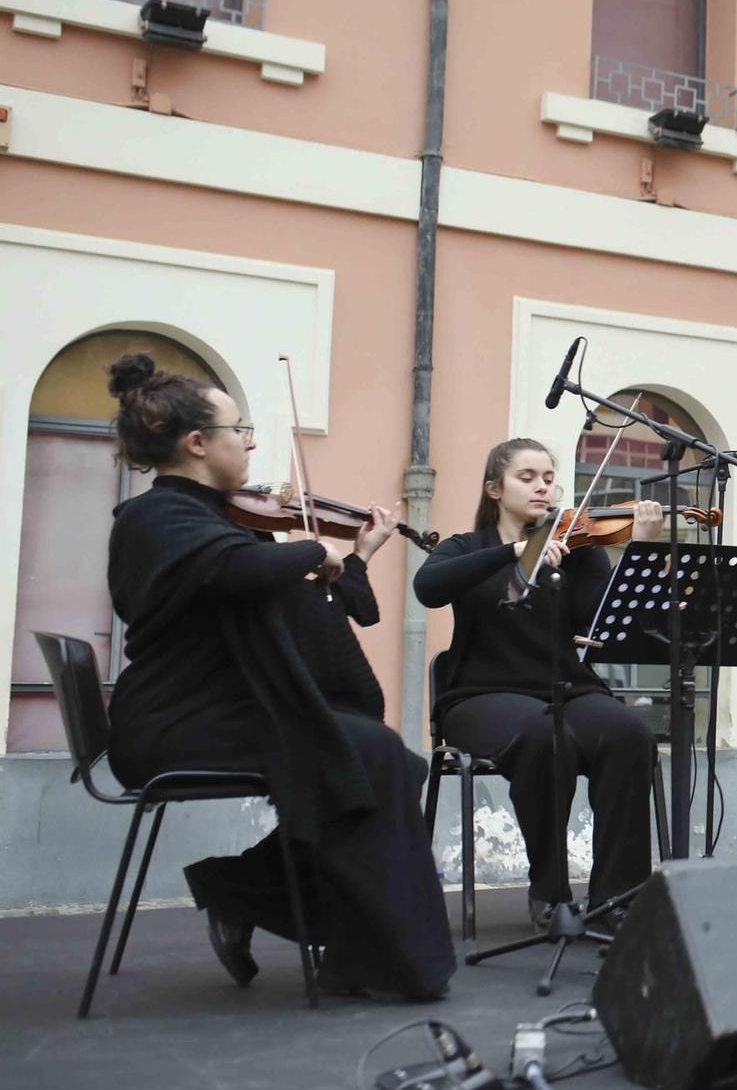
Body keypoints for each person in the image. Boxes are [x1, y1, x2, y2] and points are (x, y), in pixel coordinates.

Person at [102, 354, 454, 1001]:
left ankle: (250, 896)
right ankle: (370, 954)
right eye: (241, 428)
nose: (253, 440)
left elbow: (273, 591)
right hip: (173, 724)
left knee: (395, 763)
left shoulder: (211, 519)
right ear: (197, 442)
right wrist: (315, 549)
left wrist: (350, 560)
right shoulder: (158, 520)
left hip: (223, 708)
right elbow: (235, 570)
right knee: (364, 752)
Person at [413, 439, 663, 930]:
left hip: (567, 688)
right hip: (480, 696)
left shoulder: (577, 550)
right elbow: (428, 587)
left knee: (629, 735)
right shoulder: (467, 548)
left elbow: (605, 619)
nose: (542, 486)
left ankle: (616, 896)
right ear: (494, 488)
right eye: (526, 477)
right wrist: (515, 551)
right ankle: (549, 891)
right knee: (546, 739)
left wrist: (643, 550)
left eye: (548, 477)